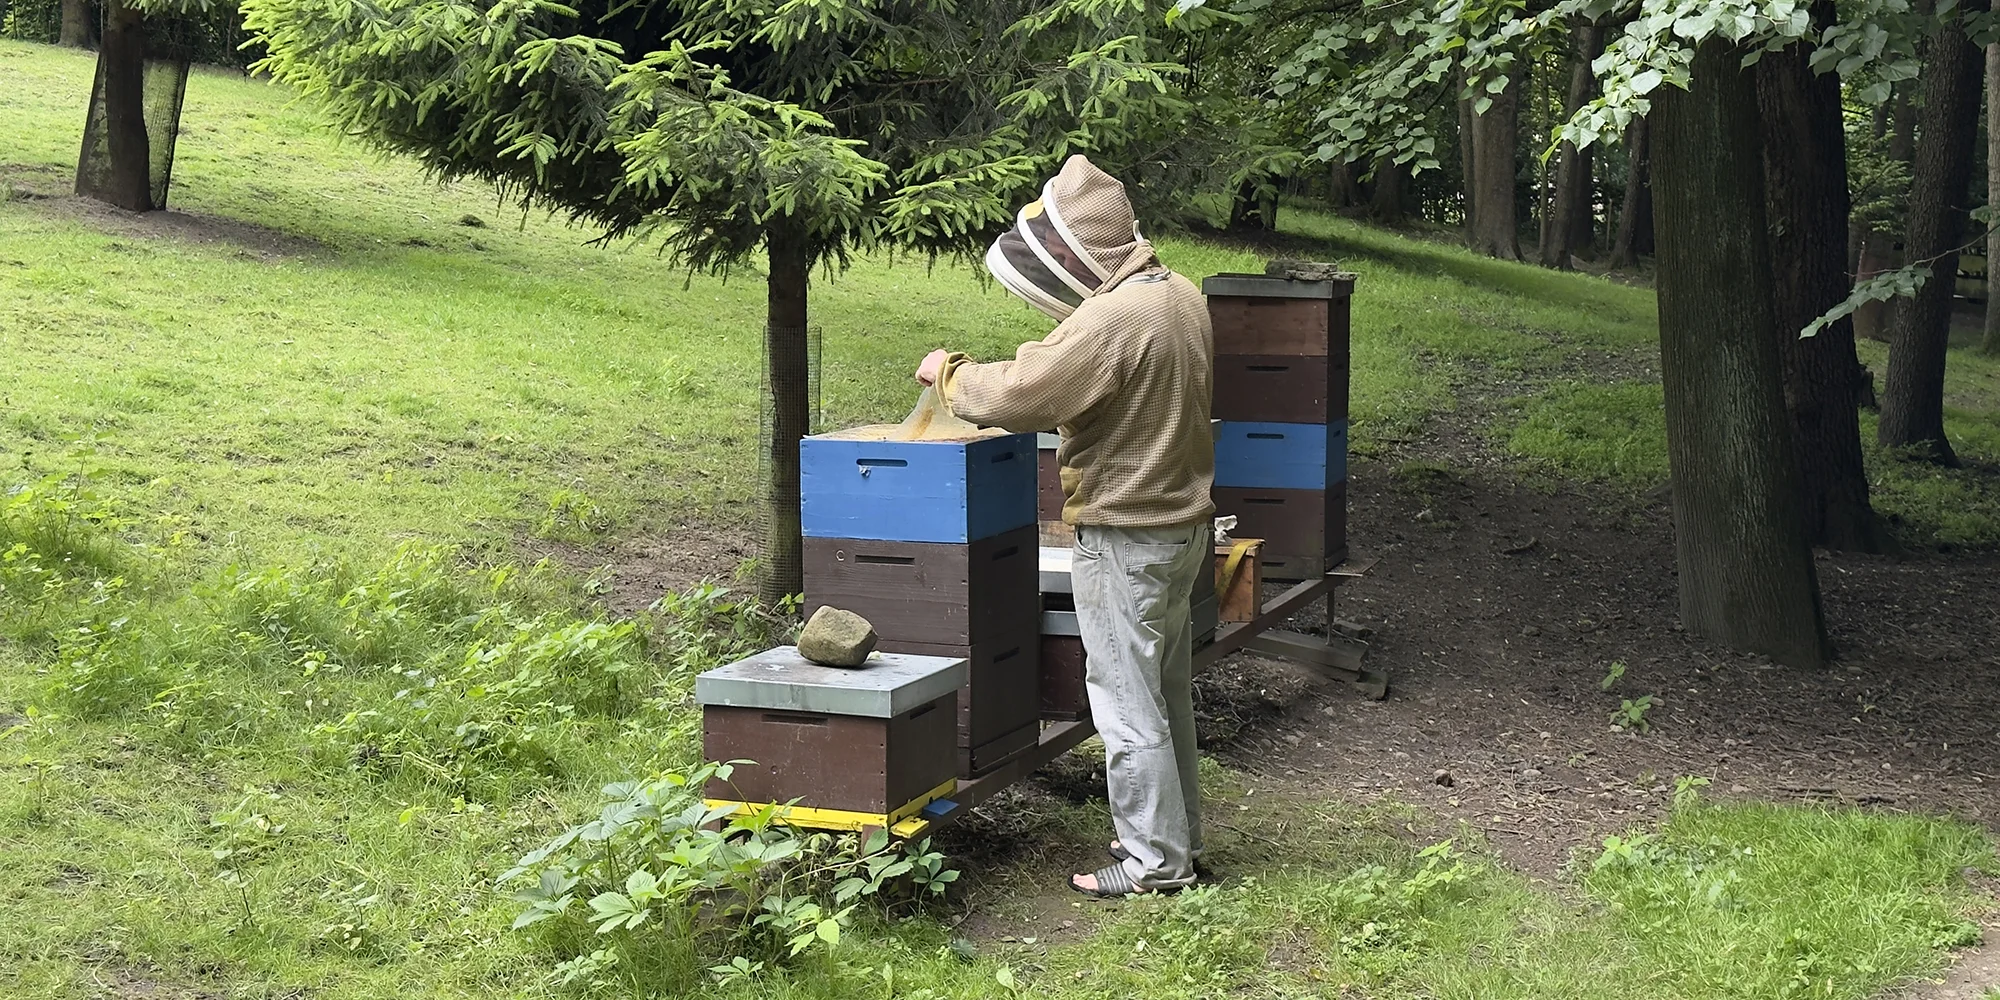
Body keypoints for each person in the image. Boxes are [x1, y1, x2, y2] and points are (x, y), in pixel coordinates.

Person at [913, 155, 1214, 897]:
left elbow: (1022, 392)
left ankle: (1153, 862)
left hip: (1125, 534)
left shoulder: (1114, 319)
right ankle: (1176, 836)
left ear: (1079, 248)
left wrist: (949, 373)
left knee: (1125, 699)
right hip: (1183, 527)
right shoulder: (1180, 294)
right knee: (1165, 691)